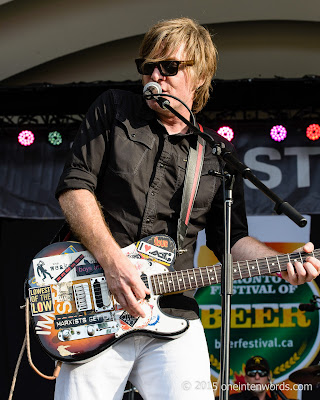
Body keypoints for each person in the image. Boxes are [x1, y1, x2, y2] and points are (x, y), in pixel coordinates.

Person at [54, 17, 320, 400]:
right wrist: (113, 264)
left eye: (169, 67)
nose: (154, 76)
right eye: (147, 67)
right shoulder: (114, 109)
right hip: (97, 305)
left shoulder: (216, 153)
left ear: (199, 75)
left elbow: (232, 240)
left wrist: (283, 264)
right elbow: (74, 189)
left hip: (174, 313)